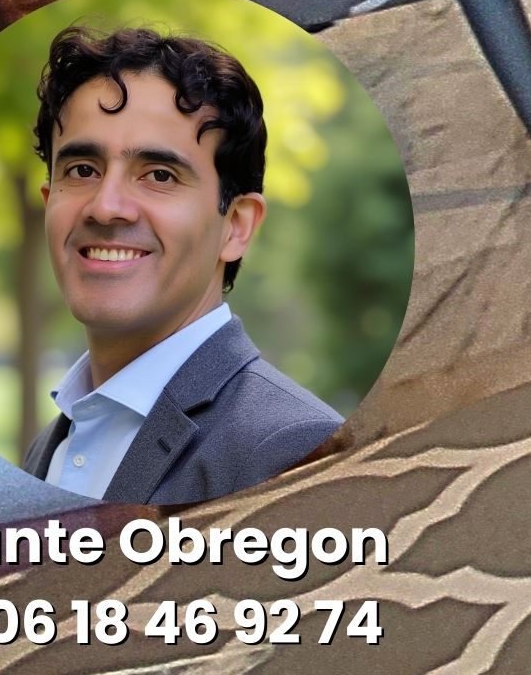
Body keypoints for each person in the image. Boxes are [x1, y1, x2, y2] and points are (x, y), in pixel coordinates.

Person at [20, 27, 342, 502]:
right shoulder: (50, 447)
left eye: (159, 175)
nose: (105, 207)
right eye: (82, 170)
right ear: (49, 204)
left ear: (235, 226)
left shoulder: (289, 449)